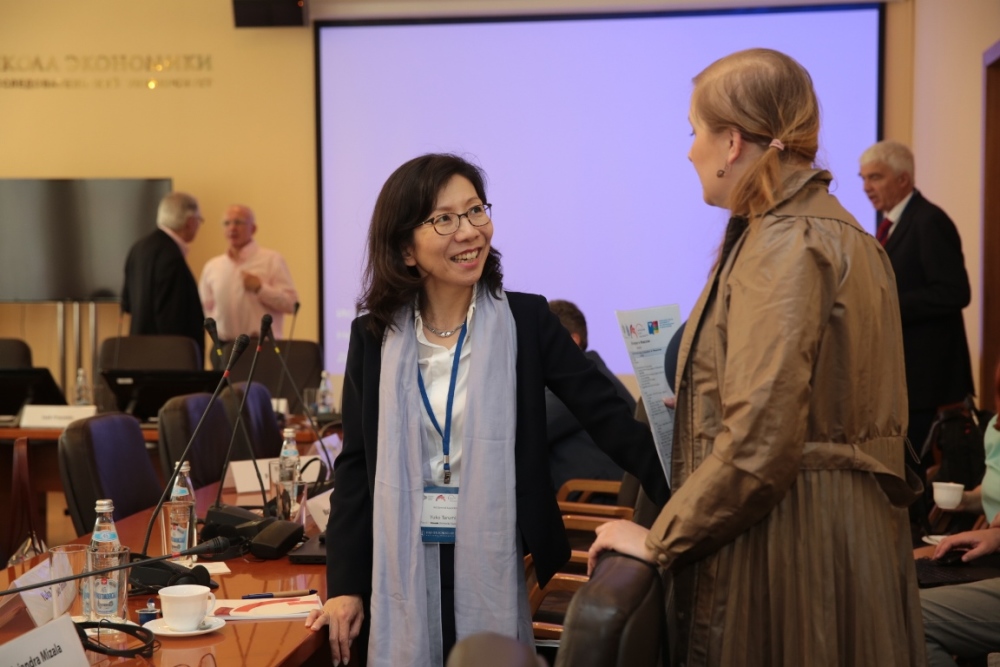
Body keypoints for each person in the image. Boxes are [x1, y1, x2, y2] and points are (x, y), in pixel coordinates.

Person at [587, 48, 925, 666]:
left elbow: (760, 445)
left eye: (694, 131)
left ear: (732, 142)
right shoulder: (844, 231)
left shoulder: (784, 243)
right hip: (845, 543)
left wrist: (659, 540)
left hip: (791, 553)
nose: (689, 151)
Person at [304, 154, 670, 666]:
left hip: (492, 548)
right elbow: (357, 464)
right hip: (401, 557)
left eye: (476, 210)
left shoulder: (525, 320)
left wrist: (688, 502)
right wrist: (344, 584)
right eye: (444, 219)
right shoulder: (373, 336)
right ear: (406, 249)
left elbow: (609, 418)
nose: (469, 231)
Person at [859, 141, 974, 469]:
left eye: (875, 177)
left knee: (919, 475)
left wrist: (888, 304)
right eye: (863, 178)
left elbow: (954, 292)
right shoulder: (891, 225)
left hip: (929, 384)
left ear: (903, 179)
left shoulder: (929, 221)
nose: (866, 187)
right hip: (905, 381)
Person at [921, 364, 1000, 667]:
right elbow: (991, 489)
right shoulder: (994, 429)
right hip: (993, 551)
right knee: (902, 574)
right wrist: (967, 503)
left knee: (906, 614)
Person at [545, 299, 629, 492]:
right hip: (592, 492)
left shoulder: (578, 380)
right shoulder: (593, 372)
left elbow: (525, 429)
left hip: (593, 497)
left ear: (573, 340)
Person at [198, 204, 298, 346]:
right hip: (223, 346)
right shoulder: (212, 266)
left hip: (261, 347)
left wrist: (260, 289)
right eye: (227, 223)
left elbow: (291, 305)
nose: (232, 228)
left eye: (238, 222)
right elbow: (205, 307)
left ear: (253, 228)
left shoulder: (272, 260)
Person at [121, 191, 205, 357]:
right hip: (167, 356)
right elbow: (173, 316)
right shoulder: (171, 256)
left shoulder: (138, 247)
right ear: (190, 222)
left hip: (139, 351)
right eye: (199, 220)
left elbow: (127, 304)